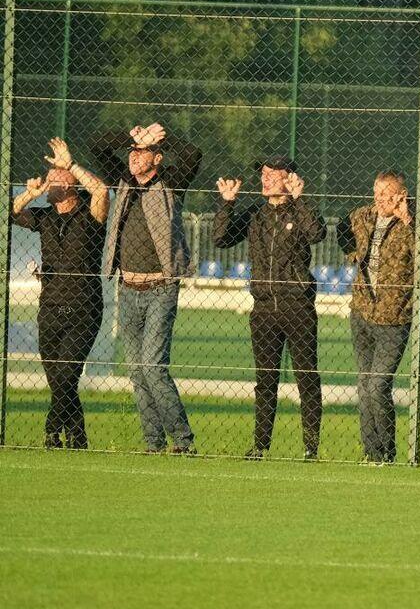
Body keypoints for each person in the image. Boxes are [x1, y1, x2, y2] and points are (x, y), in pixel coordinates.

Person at [90, 122, 202, 454]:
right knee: (137, 372)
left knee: (153, 366)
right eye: (132, 153)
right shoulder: (123, 180)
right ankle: (153, 443)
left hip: (160, 288)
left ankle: (183, 440)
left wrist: (162, 137)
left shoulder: (171, 182)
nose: (134, 157)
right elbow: (97, 145)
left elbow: (193, 155)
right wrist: (131, 136)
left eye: (142, 152)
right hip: (127, 287)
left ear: (158, 158)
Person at [213, 156, 327, 460]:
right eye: (263, 174)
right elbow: (220, 238)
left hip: (297, 306)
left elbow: (317, 233)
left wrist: (300, 200)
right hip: (263, 308)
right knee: (265, 380)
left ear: (289, 179)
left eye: (272, 174)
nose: (264, 179)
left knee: (306, 377)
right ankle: (260, 446)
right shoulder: (255, 214)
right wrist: (227, 204)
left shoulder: (299, 210)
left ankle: (311, 447)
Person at [11, 138, 110, 449]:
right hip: (50, 309)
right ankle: (78, 437)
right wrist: (30, 194)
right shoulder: (45, 216)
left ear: (69, 185)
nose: (47, 182)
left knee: (67, 375)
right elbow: (11, 211)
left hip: (84, 309)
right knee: (58, 380)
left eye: (53, 178)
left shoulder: (90, 216)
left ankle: (52, 431)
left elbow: (101, 191)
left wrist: (71, 165)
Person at [337, 171, 420, 464]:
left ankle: (388, 450)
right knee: (364, 385)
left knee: (378, 385)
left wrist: (409, 222)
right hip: (362, 312)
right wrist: (353, 253)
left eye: (386, 194)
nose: (379, 199)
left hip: (394, 317)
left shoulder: (416, 221)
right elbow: (340, 227)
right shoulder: (363, 215)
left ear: (401, 195)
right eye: (376, 192)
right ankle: (372, 452)